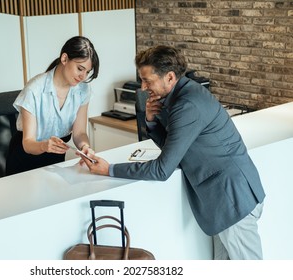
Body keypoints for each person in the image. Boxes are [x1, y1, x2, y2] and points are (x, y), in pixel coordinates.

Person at [80, 45, 266, 260]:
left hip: (233, 200)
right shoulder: (184, 95)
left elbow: (162, 170)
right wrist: (151, 121)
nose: (142, 87)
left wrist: (109, 169)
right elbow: (177, 149)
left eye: (148, 81)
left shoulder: (187, 105)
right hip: (228, 201)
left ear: (169, 77)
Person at [6, 36, 99, 175]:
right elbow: (28, 143)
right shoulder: (35, 89)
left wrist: (85, 147)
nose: (83, 76)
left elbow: (79, 132)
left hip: (55, 162)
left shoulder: (83, 90)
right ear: (64, 59)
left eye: (87, 72)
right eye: (80, 68)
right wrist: (44, 145)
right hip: (24, 161)